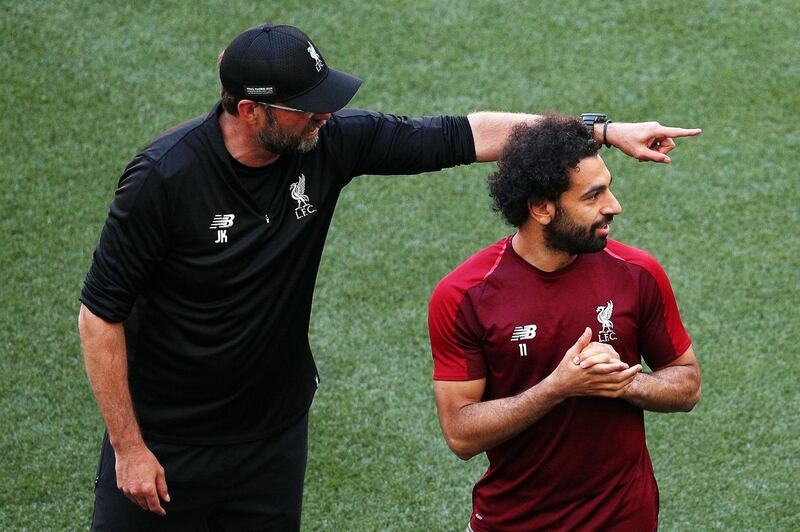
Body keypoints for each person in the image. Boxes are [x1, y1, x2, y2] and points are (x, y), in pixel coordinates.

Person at [78, 22, 701, 530]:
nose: (326, 116)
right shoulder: (163, 179)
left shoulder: (327, 146)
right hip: (167, 440)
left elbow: (464, 134)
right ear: (251, 111)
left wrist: (603, 131)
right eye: (309, 109)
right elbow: (100, 314)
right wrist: (129, 447)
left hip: (272, 434)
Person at [428, 114, 702, 531]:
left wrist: (625, 381)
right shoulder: (465, 295)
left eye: (608, 188)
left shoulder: (637, 272)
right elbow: (461, 434)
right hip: (513, 522)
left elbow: (686, 385)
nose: (614, 206)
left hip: (625, 520)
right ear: (541, 208)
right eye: (593, 196)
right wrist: (557, 388)